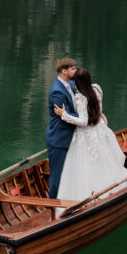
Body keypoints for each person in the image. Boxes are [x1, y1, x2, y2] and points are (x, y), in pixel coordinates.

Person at [54, 67, 127, 210]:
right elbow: (97, 109)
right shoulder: (97, 89)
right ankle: (111, 190)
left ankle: (90, 197)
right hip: (99, 130)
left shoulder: (80, 98)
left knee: (86, 166)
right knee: (104, 161)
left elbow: (83, 121)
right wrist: (100, 115)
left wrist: (64, 115)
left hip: (87, 134)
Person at [45, 57, 78, 199]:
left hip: (71, 137)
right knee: (57, 177)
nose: (75, 71)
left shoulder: (70, 84)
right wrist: (88, 118)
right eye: (73, 69)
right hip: (59, 139)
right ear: (64, 71)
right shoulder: (56, 92)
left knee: (70, 173)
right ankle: (52, 207)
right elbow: (66, 115)